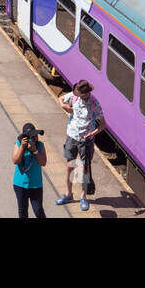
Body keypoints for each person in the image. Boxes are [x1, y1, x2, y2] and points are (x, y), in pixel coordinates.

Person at [55, 79, 105, 211]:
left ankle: (83, 196)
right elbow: (60, 99)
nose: (76, 95)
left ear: (86, 93)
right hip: (72, 135)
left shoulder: (94, 104)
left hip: (86, 141)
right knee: (70, 167)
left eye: (79, 93)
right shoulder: (74, 96)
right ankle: (68, 194)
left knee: (84, 169)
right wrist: (64, 106)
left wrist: (93, 133)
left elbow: (103, 124)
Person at [12, 122, 48, 218]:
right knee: (22, 211)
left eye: (35, 136)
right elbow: (15, 160)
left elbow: (43, 162)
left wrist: (35, 151)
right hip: (20, 184)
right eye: (32, 136)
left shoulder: (40, 145)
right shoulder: (18, 144)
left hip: (35, 185)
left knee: (38, 210)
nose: (34, 138)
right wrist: (22, 147)